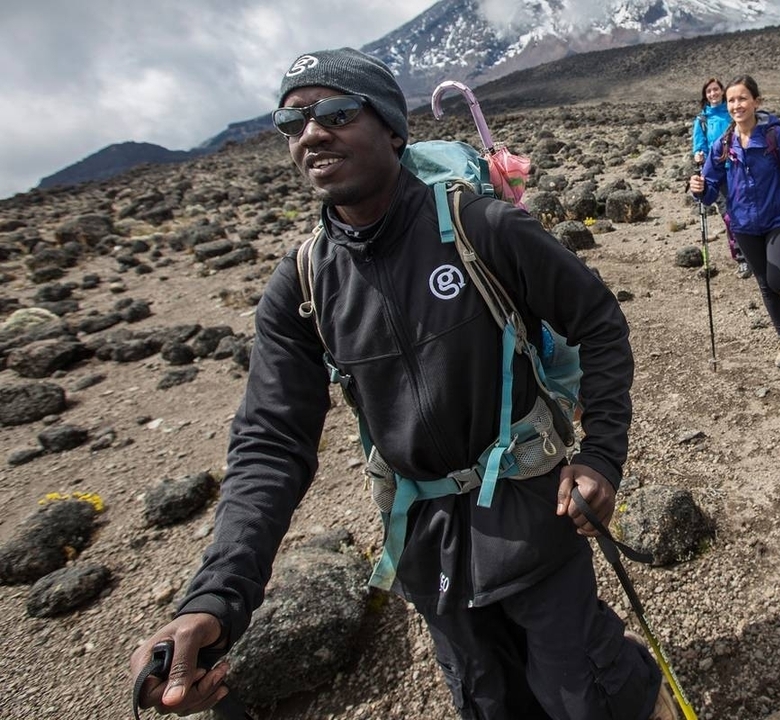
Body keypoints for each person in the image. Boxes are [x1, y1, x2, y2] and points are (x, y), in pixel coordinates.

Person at [127, 47, 675, 720]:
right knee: (489, 701)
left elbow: (597, 320)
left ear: (391, 127)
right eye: (291, 121)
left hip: (534, 511)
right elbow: (271, 443)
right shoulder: (301, 286)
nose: (311, 133)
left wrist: (601, 455)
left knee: (588, 697)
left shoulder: (481, 227)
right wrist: (214, 599)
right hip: (424, 546)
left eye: (334, 111)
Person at [689, 75, 780, 369]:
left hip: (777, 218)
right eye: (732, 100)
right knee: (764, 284)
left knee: (776, 278)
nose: (736, 105)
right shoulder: (723, 144)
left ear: (756, 102)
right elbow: (710, 189)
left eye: (742, 98)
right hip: (743, 224)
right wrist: (699, 189)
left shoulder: (775, 136)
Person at [691, 77, 750, 279]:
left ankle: (755, 251)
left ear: (722, 91)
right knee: (729, 216)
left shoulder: (732, 113)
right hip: (717, 175)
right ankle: (742, 258)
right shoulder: (702, 120)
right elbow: (699, 145)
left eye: (716, 90)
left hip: (739, 170)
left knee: (746, 210)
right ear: (705, 95)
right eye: (709, 91)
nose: (713, 94)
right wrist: (698, 154)